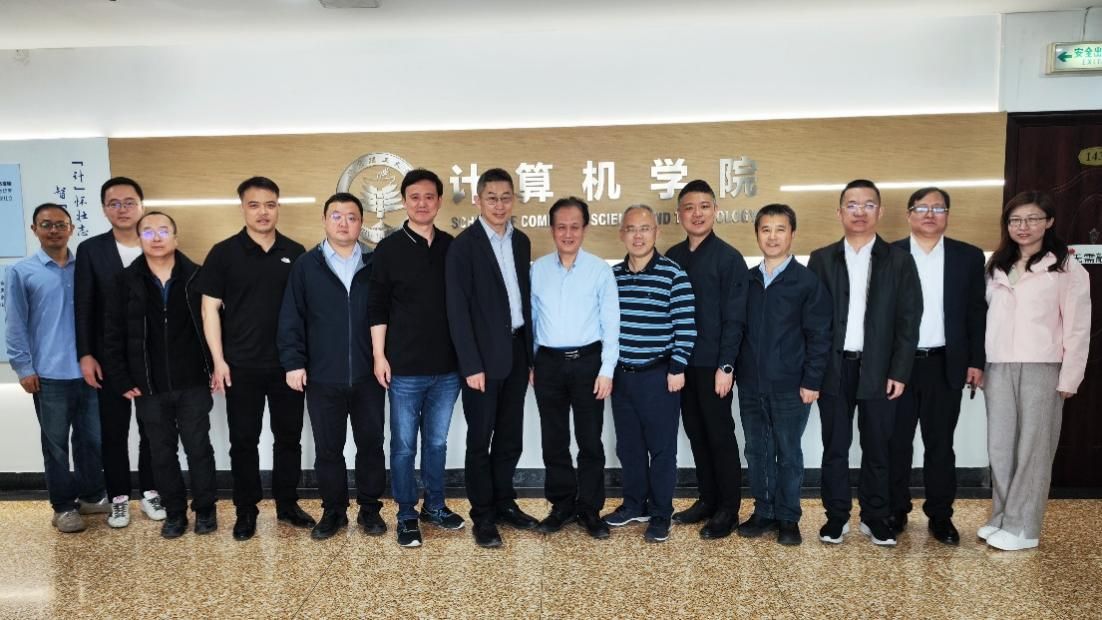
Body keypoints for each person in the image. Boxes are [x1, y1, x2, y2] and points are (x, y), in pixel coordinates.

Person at [197, 176, 313, 541]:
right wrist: (218, 361)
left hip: (286, 366)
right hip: (241, 366)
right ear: (243, 208)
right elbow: (209, 309)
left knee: (288, 439)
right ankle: (246, 510)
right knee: (243, 442)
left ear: (278, 207)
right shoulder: (224, 253)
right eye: (254, 205)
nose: (263, 212)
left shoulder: (296, 252)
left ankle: (287, 504)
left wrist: (302, 360)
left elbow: (307, 311)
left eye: (270, 205)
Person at [807, 179, 922, 547]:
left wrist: (900, 371)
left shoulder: (899, 260)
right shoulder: (822, 259)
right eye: (852, 205)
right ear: (840, 212)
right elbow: (811, 320)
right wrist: (812, 371)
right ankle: (836, 517)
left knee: (878, 448)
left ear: (880, 211)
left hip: (879, 369)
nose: (860, 212)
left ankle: (875, 516)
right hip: (834, 368)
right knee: (835, 447)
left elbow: (909, 320)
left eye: (868, 205)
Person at [979, 190, 1090, 551]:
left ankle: (1024, 528)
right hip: (999, 366)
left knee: (1033, 449)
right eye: (1015, 220)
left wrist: (1070, 376)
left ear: (1049, 222)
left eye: (1032, 219)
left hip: (1042, 366)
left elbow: (1077, 327)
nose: (1023, 226)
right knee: (1001, 447)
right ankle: (1002, 517)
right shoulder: (997, 266)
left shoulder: (1066, 267)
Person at [100, 211, 217, 539]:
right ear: (139, 240)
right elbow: (112, 334)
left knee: (199, 448)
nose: (156, 237)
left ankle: (205, 509)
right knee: (161, 453)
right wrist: (122, 378)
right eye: (148, 232)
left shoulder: (197, 277)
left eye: (163, 231)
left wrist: (214, 366)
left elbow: (214, 326)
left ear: (175, 238)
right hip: (147, 385)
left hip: (193, 381)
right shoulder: (124, 281)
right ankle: (175, 513)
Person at [278, 193, 387, 541]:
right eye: (336, 216)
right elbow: (291, 317)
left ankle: (370, 510)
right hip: (323, 376)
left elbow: (388, 315)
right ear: (325, 221)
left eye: (351, 217)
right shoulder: (306, 266)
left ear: (361, 223)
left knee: (371, 445)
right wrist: (293, 363)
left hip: (369, 376)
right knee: (328, 449)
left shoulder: (375, 263)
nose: (344, 223)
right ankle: (334, 511)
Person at [368, 169, 464, 548]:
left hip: (447, 369)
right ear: (404, 202)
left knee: (437, 443)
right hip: (404, 368)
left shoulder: (452, 247)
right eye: (414, 197)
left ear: (438, 201)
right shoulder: (388, 249)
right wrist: (379, 355)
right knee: (404, 446)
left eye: (429, 196)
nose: (422, 203)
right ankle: (407, 513)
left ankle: (434, 506)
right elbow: (377, 307)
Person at [445, 168, 539, 548]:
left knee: (510, 438)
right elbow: (457, 310)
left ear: (513, 200)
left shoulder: (522, 242)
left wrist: (530, 358)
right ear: (478, 201)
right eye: (491, 198)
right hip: (482, 361)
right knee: (480, 440)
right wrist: (470, 364)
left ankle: (504, 503)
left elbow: (524, 300)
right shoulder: (463, 246)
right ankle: (483, 516)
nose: (499, 205)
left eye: (505, 198)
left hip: (516, 352)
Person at [888, 188, 986, 546]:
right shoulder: (889, 254)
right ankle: (896, 511)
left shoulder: (968, 256)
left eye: (938, 208)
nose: (930, 214)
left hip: (946, 364)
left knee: (941, 445)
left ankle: (941, 516)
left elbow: (977, 312)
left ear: (947, 215)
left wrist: (976, 361)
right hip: (898, 367)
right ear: (909, 214)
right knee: (896, 444)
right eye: (922, 208)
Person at [6, 203, 107, 533]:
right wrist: (23, 367)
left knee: (92, 440)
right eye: (46, 224)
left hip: (89, 373)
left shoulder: (86, 268)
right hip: (48, 375)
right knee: (56, 446)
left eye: (60, 224)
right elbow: (15, 323)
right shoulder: (22, 271)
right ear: (34, 229)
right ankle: (63, 507)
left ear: (71, 229)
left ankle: (92, 496)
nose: (54, 230)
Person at [735, 204, 831, 546]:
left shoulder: (806, 282)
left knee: (788, 453)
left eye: (780, 229)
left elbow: (819, 336)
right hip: (751, 384)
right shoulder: (748, 280)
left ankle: (788, 517)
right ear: (757, 234)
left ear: (792, 234)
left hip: (791, 386)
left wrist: (812, 381)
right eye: (766, 229)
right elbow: (737, 329)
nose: (772, 236)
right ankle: (764, 511)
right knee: (756, 450)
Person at [74, 177, 163, 528]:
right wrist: (86, 354)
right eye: (114, 203)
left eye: (129, 202)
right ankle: (119, 500)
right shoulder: (91, 250)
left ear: (141, 205)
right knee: (113, 431)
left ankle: (151, 492)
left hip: (151, 354)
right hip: (107, 355)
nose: (122, 209)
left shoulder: (156, 242)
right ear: (104, 209)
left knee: (152, 428)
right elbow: (83, 305)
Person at [605, 204, 696, 543]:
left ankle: (660, 513)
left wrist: (677, 367)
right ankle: (634, 505)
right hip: (622, 376)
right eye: (631, 229)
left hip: (659, 377)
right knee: (628, 447)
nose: (638, 235)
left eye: (644, 228)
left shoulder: (673, 274)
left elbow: (686, 327)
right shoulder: (612, 277)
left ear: (656, 232)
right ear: (622, 234)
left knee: (661, 450)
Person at [530, 197, 619, 540]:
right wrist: (532, 363)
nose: (568, 233)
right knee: (554, 440)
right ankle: (562, 505)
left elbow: (611, 323)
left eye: (575, 227)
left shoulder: (599, 270)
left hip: (588, 363)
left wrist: (607, 369)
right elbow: (533, 321)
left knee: (589, 440)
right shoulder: (538, 270)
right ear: (552, 229)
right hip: (548, 364)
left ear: (585, 228)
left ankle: (590, 509)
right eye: (561, 227)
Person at [665, 179, 748, 540]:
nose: (696, 214)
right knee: (696, 433)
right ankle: (708, 499)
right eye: (689, 207)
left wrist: (726, 366)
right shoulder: (672, 256)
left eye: (703, 206)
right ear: (679, 214)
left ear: (715, 211)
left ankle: (728, 509)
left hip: (715, 365)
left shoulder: (729, 258)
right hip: (682, 364)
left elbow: (735, 318)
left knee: (719, 435)